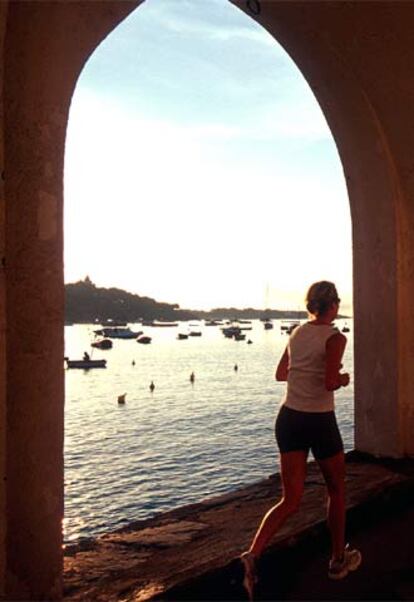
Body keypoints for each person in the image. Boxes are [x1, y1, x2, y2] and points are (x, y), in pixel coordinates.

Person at [240, 281, 361, 600]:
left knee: (290, 500)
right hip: (318, 421)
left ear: (311, 306)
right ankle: (337, 560)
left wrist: (305, 369)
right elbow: (331, 381)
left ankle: (252, 555)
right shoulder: (336, 337)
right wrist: (344, 378)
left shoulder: (296, 332)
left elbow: (282, 373)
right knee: (336, 488)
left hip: (289, 418)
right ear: (333, 305)